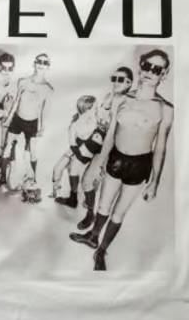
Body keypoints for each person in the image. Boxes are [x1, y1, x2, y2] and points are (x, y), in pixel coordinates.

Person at [69, 49, 173, 271]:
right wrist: (98, 164)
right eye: (147, 66)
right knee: (103, 205)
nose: (150, 72)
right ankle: (92, 237)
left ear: (164, 74)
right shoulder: (122, 99)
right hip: (116, 160)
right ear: (140, 66)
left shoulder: (165, 109)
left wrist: (155, 182)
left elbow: (160, 148)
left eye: (157, 69)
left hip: (140, 166)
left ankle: (101, 251)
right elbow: (110, 136)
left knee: (119, 212)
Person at [76, 66, 133, 228]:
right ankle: (90, 213)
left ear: (129, 83)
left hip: (111, 149)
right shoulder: (109, 96)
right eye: (114, 79)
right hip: (98, 144)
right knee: (89, 182)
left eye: (120, 79)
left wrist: (102, 159)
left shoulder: (125, 101)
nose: (116, 82)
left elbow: (114, 132)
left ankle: (91, 217)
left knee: (89, 182)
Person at [0, 53, 54, 189]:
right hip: (17, 119)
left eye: (45, 63)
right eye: (39, 61)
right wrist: (8, 119)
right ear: (34, 63)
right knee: (6, 148)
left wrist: (42, 127)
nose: (41, 64)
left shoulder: (48, 89)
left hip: (32, 122)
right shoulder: (23, 81)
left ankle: (33, 179)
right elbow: (16, 102)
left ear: (48, 67)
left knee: (32, 152)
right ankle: (2, 178)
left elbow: (45, 110)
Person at [51, 95, 97, 208]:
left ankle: (76, 199)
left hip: (91, 151)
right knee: (57, 168)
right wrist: (77, 157)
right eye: (94, 107)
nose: (96, 109)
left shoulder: (94, 120)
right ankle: (57, 191)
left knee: (74, 171)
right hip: (77, 150)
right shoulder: (75, 125)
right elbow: (73, 144)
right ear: (87, 109)